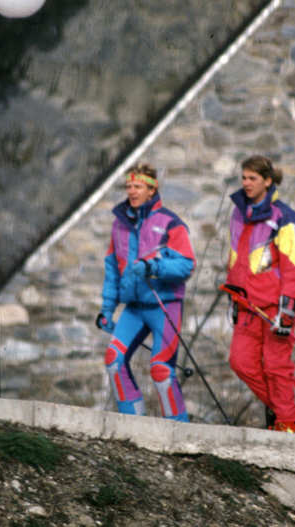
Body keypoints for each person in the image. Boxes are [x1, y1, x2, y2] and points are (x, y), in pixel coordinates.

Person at [96, 163, 196, 422]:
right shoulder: (119, 225)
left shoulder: (170, 223)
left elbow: (186, 264)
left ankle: (179, 430)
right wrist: (107, 309)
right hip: (134, 308)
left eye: (137, 186)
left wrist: (154, 267)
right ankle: (133, 423)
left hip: (165, 306)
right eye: (128, 186)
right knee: (113, 360)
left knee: (161, 370)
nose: (131, 191)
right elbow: (112, 269)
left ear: (152, 190)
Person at [224, 155, 295, 433]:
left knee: (276, 367)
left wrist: (287, 310)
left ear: (268, 181)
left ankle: (288, 423)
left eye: (252, 178)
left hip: (275, 306)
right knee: (240, 363)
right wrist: (233, 294)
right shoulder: (239, 213)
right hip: (247, 305)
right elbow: (237, 259)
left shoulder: (285, 218)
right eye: (244, 178)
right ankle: (292, 412)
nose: (246, 183)